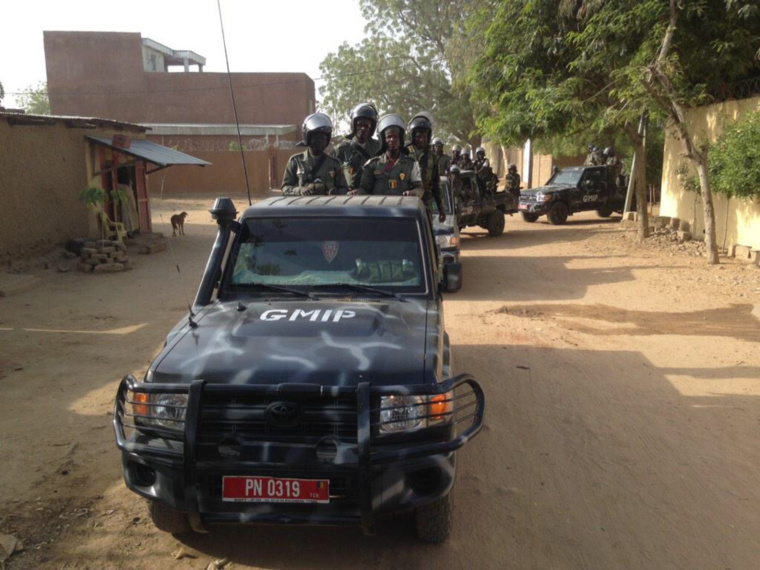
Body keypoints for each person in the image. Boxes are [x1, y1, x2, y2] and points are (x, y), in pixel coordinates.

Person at [357, 114, 423, 197]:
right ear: (384, 140)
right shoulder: (373, 164)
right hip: (378, 208)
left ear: (400, 139)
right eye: (389, 137)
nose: (392, 140)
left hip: (402, 208)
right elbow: (364, 189)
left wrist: (413, 193)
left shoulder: (412, 164)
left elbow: (419, 188)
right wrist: (356, 192)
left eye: (395, 137)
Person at [282, 113, 348, 196]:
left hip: (328, 207)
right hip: (303, 206)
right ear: (308, 138)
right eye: (317, 137)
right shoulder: (296, 161)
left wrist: (336, 192)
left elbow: (344, 188)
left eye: (324, 138)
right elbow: (285, 188)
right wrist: (299, 190)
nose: (321, 141)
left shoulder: (334, 164)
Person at [332, 103, 382, 191]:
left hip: (373, 196)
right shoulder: (342, 150)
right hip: (349, 196)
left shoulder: (378, 148)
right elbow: (331, 173)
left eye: (366, 126)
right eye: (360, 125)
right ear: (354, 125)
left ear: (371, 128)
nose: (362, 128)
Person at [407, 113, 445, 222]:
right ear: (413, 136)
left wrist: (441, 209)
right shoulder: (405, 153)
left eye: (424, 136)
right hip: (407, 200)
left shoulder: (432, 157)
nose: (421, 140)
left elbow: (436, 184)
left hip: (426, 203)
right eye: (418, 136)